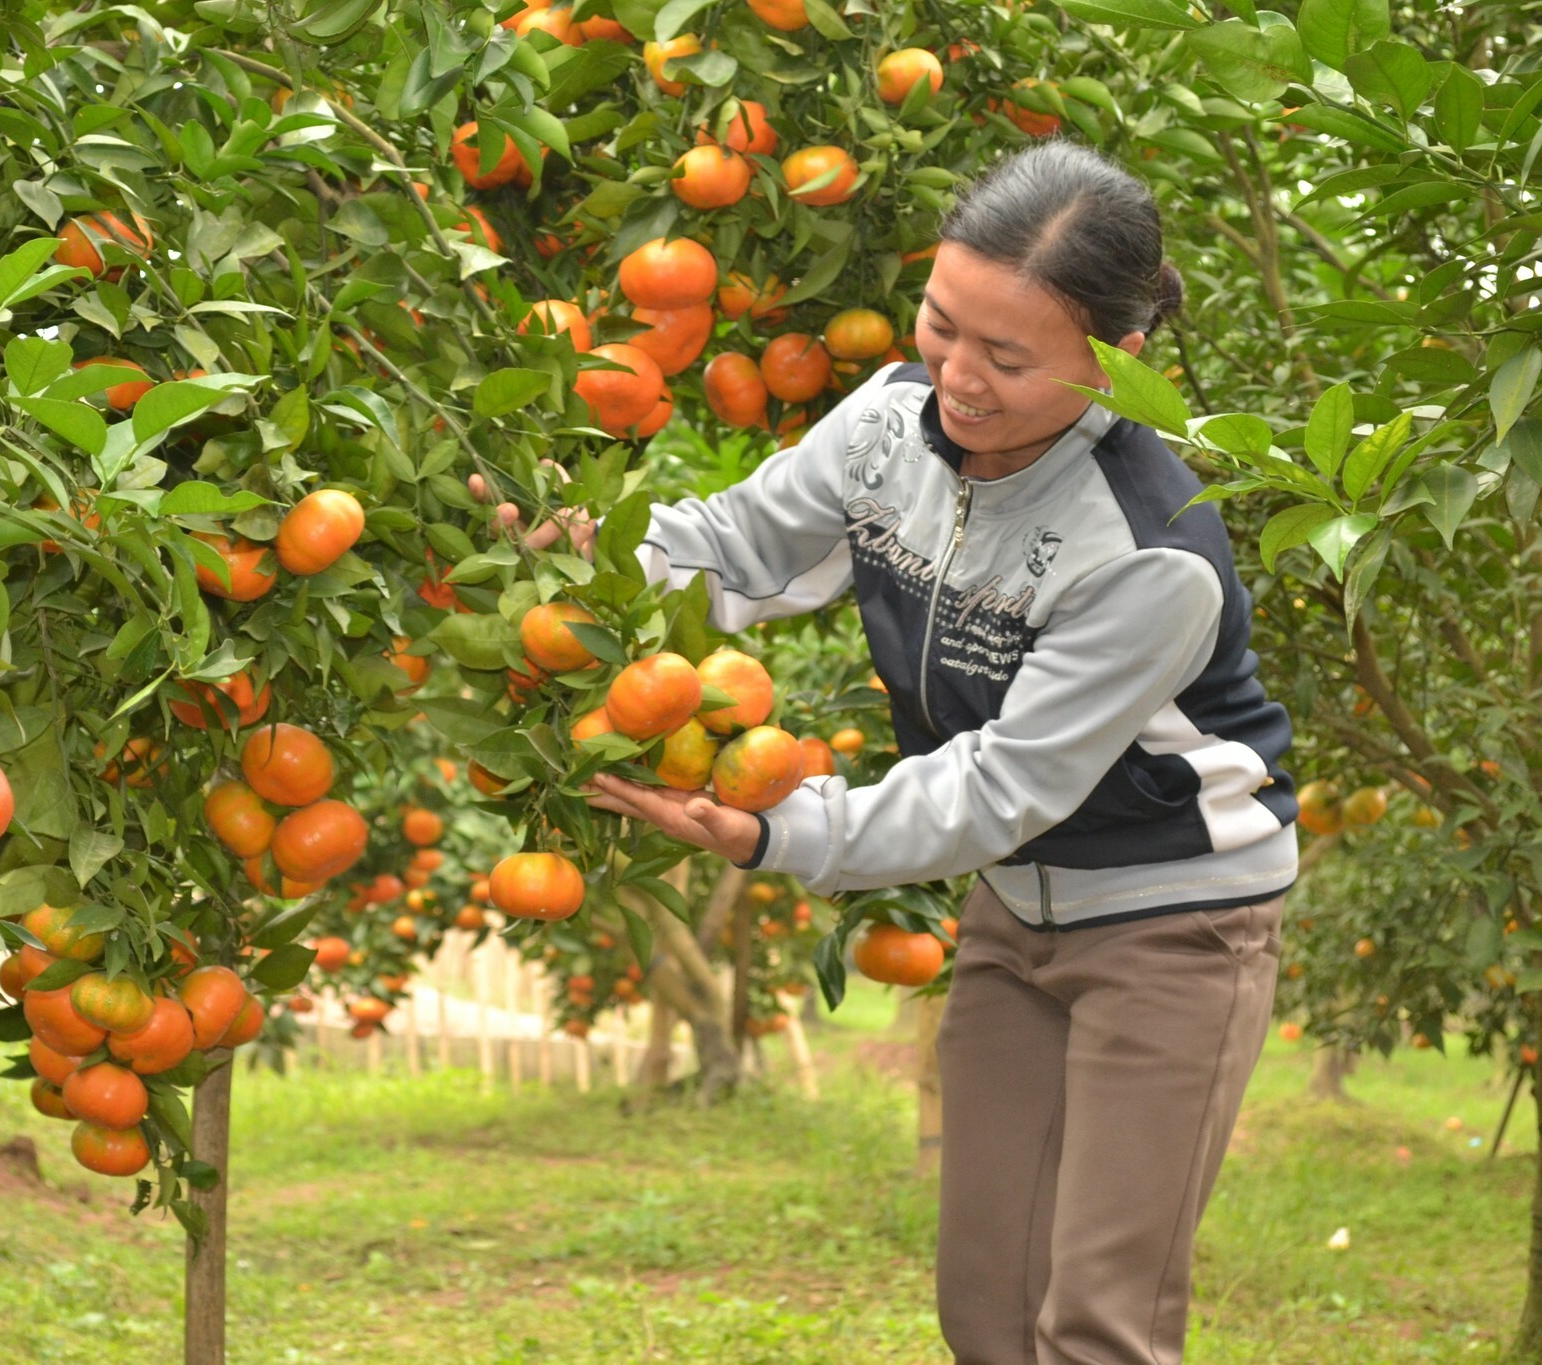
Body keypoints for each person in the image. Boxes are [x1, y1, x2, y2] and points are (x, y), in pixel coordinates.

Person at [476, 141, 1295, 1364]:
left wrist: (779, 831)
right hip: (1014, 911)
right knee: (984, 1306)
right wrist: (579, 563)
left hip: (1177, 923)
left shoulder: (1144, 549)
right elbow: (735, 551)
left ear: (1113, 362)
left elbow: (1003, 783)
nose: (956, 378)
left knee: (1097, 1322)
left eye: (1006, 358)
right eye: (940, 324)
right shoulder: (882, 429)